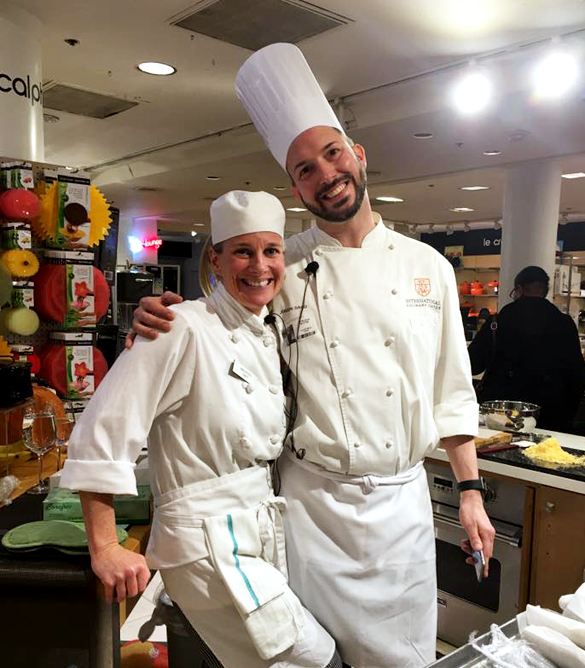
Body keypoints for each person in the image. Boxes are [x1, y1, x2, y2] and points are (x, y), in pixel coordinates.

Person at [130, 44, 495, 668]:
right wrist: (158, 315)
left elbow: (452, 392)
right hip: (310, 506)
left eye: (332, 154)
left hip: (402, 504)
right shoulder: (283, 265)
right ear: (295, 187)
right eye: (304, 169)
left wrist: (469, 491)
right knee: (312, 655)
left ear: (358, 155)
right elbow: (221, 331)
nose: (324, 174)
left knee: (403, 658)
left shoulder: (428, 267)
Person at [59, 190, 341, 668]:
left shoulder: (268, 331)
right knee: (316, 659)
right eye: (242, 251)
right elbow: (102, 432)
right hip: (208, 543)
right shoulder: (179, 326)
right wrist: (104, 546)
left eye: (271, 251)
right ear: (215, 258)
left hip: (253, 531)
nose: (259, 265)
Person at [469, 265, 585, 433]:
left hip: (502, 415)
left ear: (519, 289)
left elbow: (474, 363)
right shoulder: (564, 323)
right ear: (546, 291)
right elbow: (577, 374)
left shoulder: (498, 321)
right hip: (551, 415)